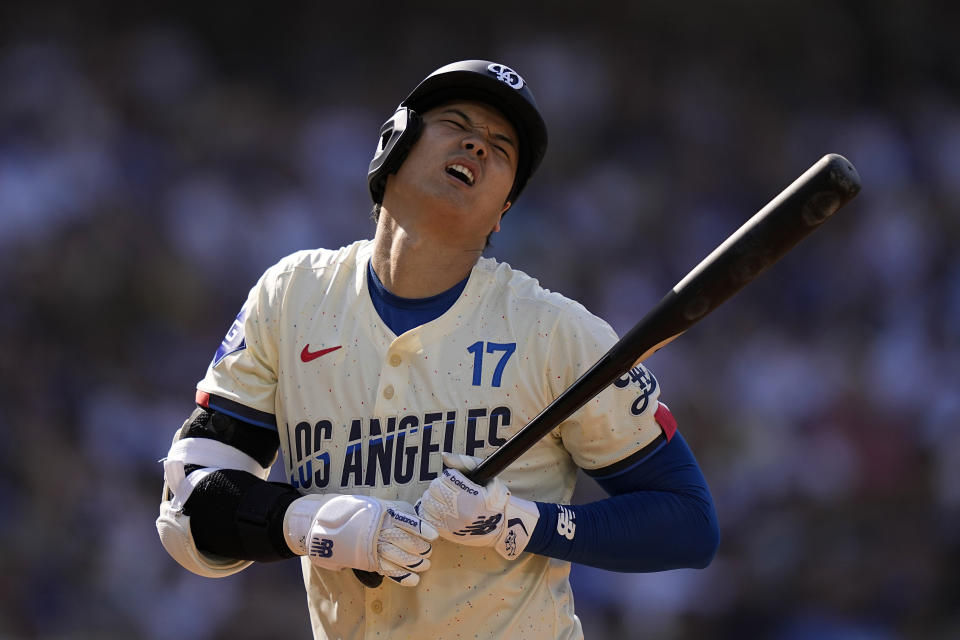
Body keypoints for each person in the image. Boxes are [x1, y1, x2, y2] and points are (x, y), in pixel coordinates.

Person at [156, 59, 720, 639]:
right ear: (394, 143)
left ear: (503, 211)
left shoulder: (557, 333)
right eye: (457, 123)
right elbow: (188, 511)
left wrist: (523, 523)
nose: (478, 145)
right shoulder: (292, 296)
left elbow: (688, 523)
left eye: (502, 149)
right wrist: (316, 524)